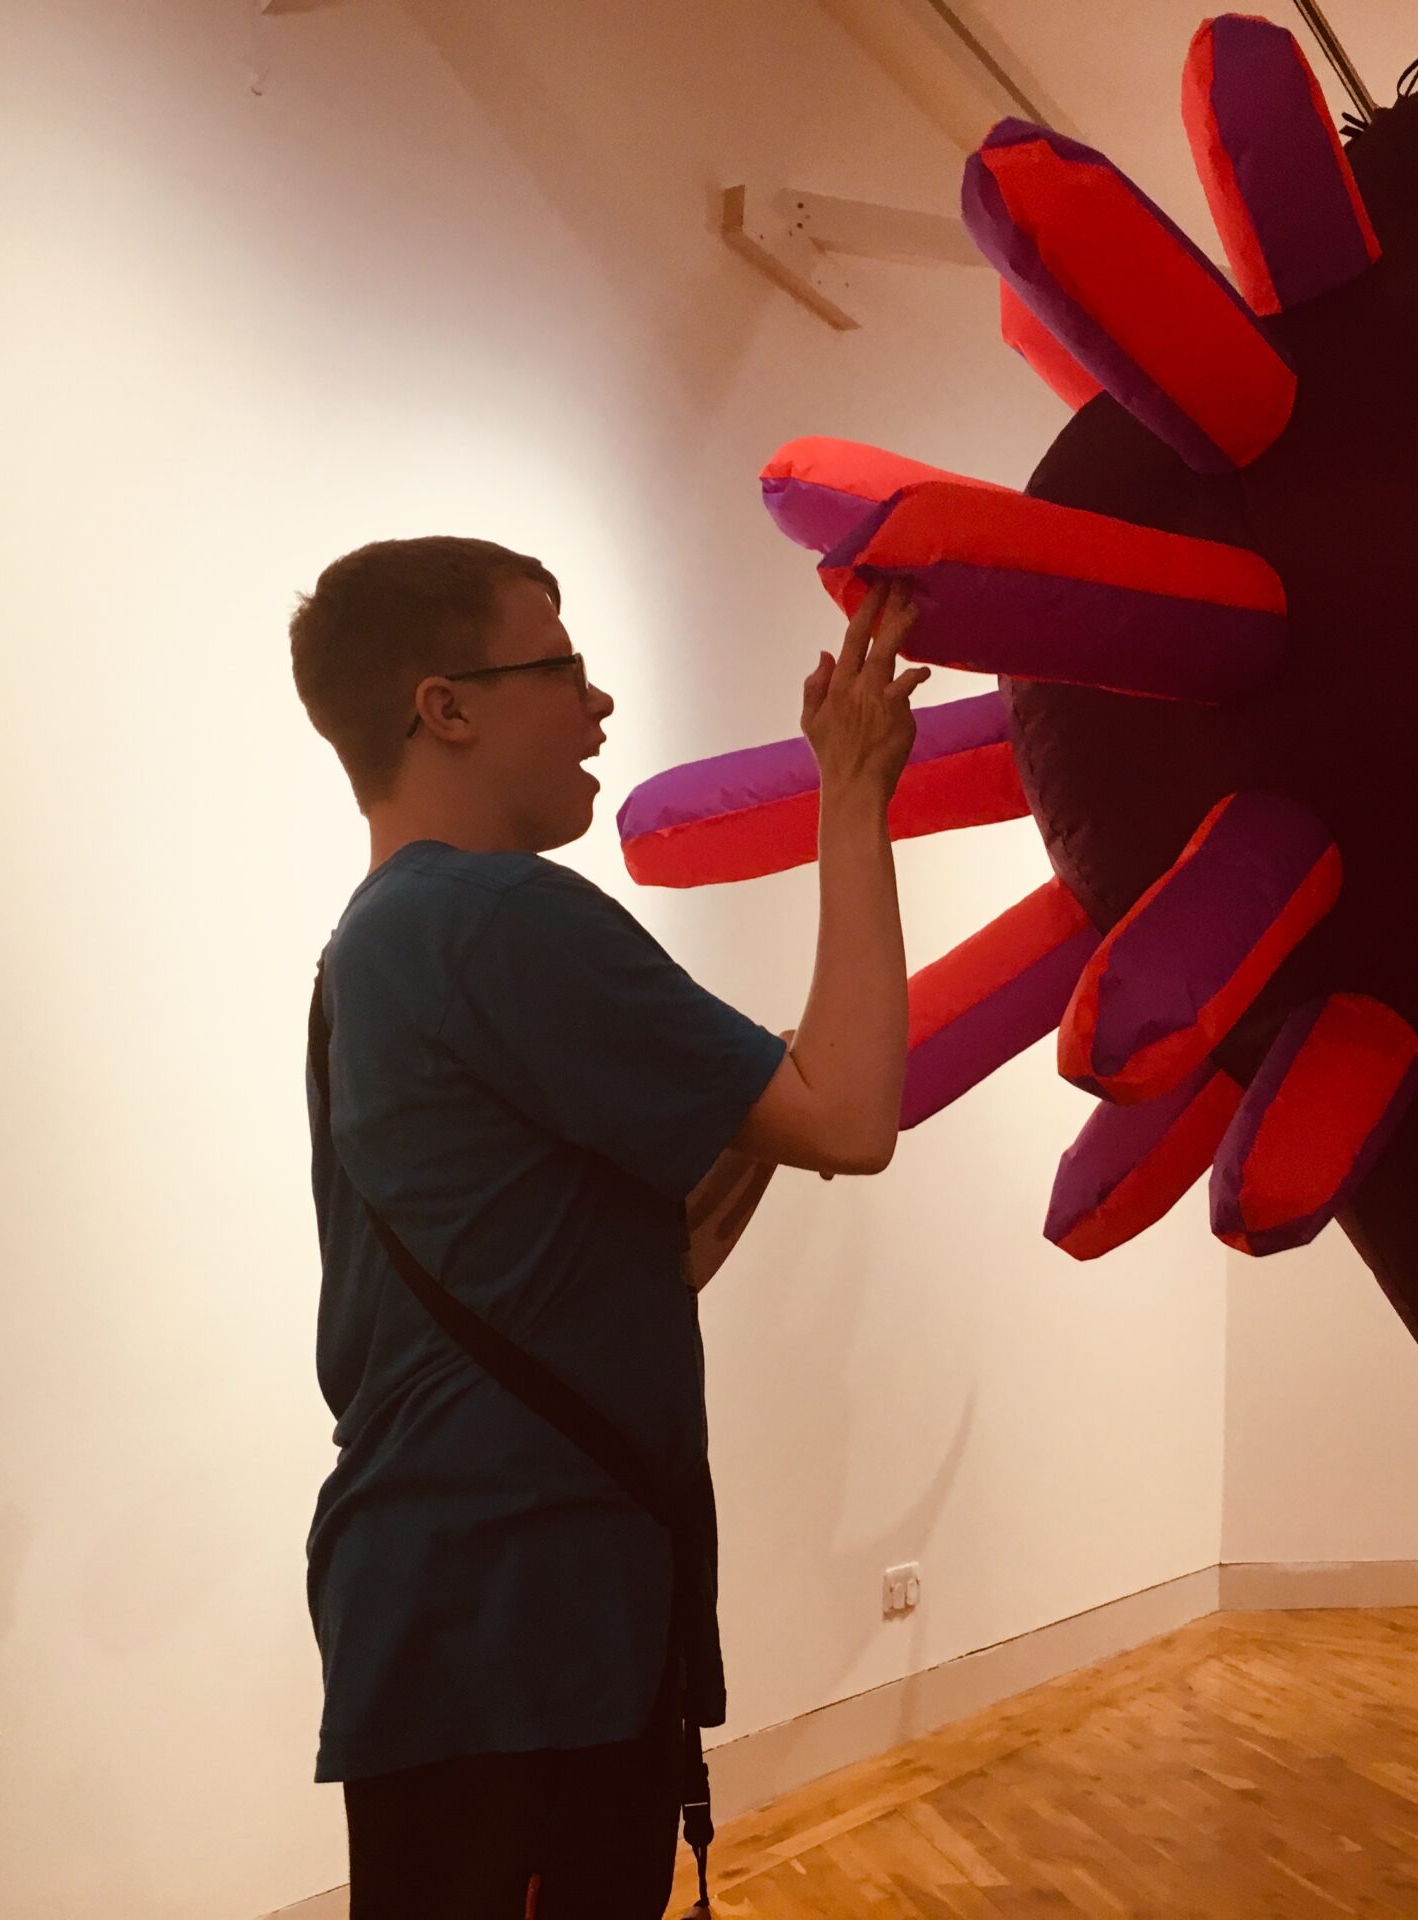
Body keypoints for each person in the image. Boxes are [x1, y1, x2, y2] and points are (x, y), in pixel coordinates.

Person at [288, 535, 925, 1919]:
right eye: (561, 666)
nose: (598, 703)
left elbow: (651, 1254)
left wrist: (751, 1105)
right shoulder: (494, 914)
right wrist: (853, 794)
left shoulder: (371, 950)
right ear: (444, 708)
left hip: (460, 1624)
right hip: (526, 1630)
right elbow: (852, 1115)